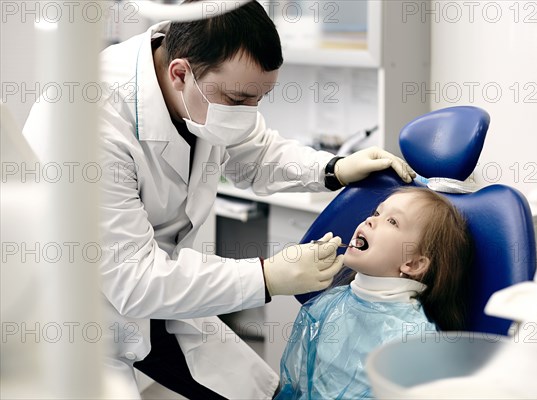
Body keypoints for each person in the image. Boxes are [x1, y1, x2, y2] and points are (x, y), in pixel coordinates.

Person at [22, 1, 415, 398]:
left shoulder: (204, 86)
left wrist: (332, 168)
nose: (249, 113)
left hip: (158, 289)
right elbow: (134, 279)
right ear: (180, 74)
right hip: (77, 315)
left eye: (258, 100)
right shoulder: (90, 120)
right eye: (239, 99)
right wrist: (266, 277)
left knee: (262, 392)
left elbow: (256, 152)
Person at [276, 187, 472, 399]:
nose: (370, 220)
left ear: (413, 263)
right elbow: (298, 386)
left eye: (393, 221)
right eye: (377, 213)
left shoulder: (415, 340)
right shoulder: (328, 304)